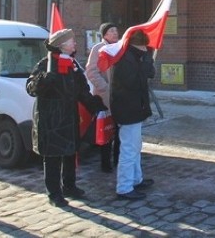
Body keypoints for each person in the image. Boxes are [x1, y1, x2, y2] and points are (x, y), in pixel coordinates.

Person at [26, 28, 105, 208]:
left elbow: (82, 91)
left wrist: (95, 105)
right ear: (61, 45)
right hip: (50, 119)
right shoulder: (45, 64)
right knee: (53, 157)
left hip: (69, 117)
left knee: (70, 152)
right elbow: (31, 87)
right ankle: (54, 193)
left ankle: (69, 186)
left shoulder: (73, 64)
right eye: (71, 41)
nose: (75, 43)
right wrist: (44, 79)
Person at [110, 29, 155, 200]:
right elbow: (133, 81)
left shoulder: (134, 57)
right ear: (138, 44)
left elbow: (149, 74)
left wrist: (147, 58)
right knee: (129, 149)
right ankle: (124, 187)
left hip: (135, 108)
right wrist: (146, 59)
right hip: (127, 109)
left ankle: (136, 179)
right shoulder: (125, 59)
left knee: (135, 146)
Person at [85, 22, 120, 172]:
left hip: (119, 97)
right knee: (106, 129)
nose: (115, 33)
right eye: (111, 31)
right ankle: (105, 163)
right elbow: (91, 71)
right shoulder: (98, 48)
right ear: (104, 34)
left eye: (116, 31)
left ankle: (118, 160)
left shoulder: (119, 47)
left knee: (119, 130)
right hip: (104, 97)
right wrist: (104, 87)